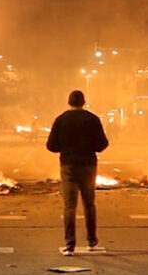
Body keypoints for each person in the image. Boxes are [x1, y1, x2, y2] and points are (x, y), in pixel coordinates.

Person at [45, 90, 109, 256]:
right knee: (89, 204)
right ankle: (91, 239)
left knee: (69, 206)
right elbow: (102, 144)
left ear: (69, 102)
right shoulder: (92, 119)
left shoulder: (61, 119)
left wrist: (66, 147)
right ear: (84, 102)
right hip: (88, 165)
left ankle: (70, 243)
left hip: (68, 166)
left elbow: (51, 146)